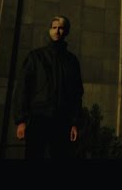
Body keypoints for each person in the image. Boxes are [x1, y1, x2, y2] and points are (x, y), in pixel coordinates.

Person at [13, 15, 84, 159]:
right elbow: (22, 89)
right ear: (50, 30)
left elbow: (77, 94)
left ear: (66, 32)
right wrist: (21, 121)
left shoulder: (72, 61)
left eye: (61, 28)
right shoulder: (35, 57)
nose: (57, 31)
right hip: (38, 120)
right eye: (54, 27)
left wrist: (74, 123)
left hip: (62, 121)